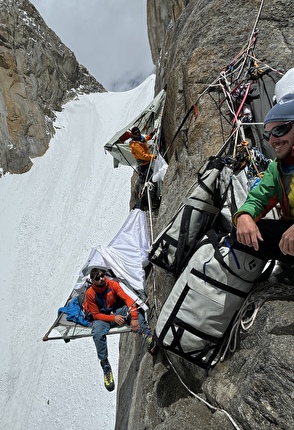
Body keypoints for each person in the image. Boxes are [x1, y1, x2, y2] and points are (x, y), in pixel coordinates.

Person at [233, 93, 294, 284]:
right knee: (242, 235)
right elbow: (259, 198)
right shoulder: (277, 168)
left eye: (280, 130)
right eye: (268, 134)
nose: (272, 140)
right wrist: (244, 216)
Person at [85, 267, 153, 392]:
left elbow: (128, 300)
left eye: (102, 275)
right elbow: (95, 315)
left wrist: (134, 318)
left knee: (135, 312)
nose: (101, 279)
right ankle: (105, 363)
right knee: (97, 332)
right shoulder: (90, 294)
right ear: (93, 281)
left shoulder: (112, 284)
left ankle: (146, 333)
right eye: (97, 278)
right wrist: (113, 318)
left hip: (117, 311)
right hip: (104, 318)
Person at [129, 126, 160, 209]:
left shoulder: (139, 140)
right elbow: (143, 156)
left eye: (138, 132)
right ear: (133, 135)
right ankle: (152, 203)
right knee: (152, 183)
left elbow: (145, 139)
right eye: (136, 133)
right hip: (144, 166)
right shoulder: (135, 145)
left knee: (151, 182)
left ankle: (154, 201)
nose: (138, 134)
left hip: (146, 164)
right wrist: (153, 156)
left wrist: (152, 134)